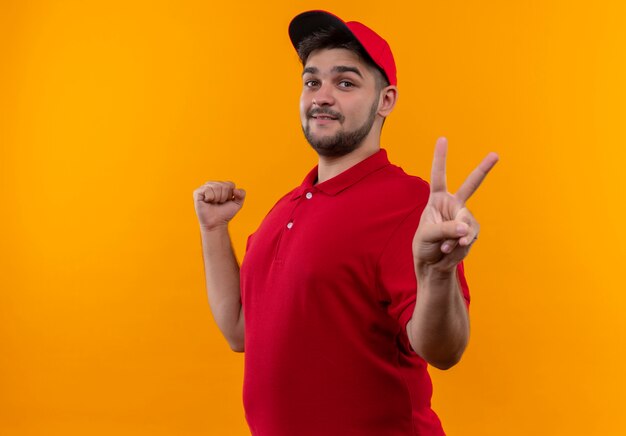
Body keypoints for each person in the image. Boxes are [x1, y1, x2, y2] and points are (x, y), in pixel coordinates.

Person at [193, 10, 498, 436]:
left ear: (385, 101)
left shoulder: (410, 204)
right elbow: (241, 332)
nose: (322, 95)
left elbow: (443, 351)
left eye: (346, 82)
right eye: (312, 81)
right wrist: (213, 230)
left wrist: (438, 274)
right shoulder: (285, 208)